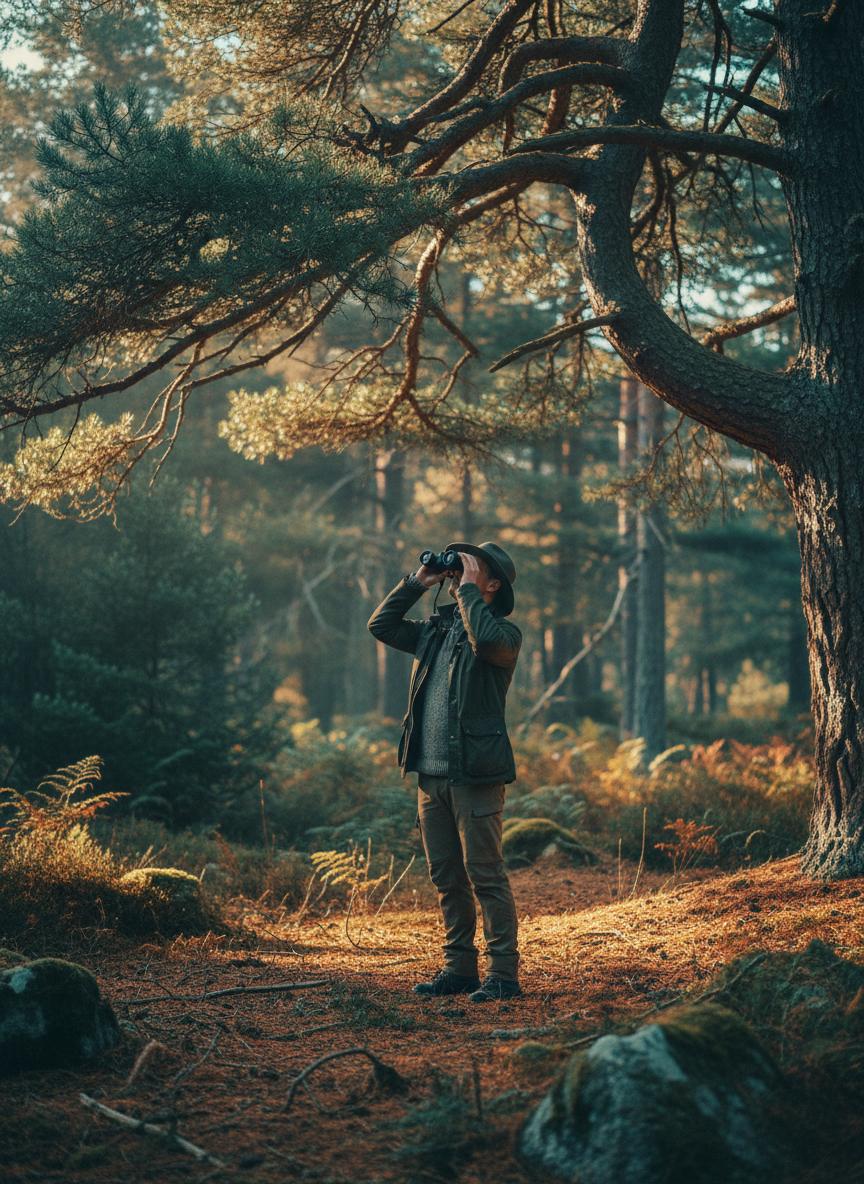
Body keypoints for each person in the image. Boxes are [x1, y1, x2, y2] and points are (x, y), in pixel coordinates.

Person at [367, 540, 523, 1002]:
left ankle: (503, 975)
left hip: (476, 776)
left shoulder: (505, 635)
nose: (460, 573)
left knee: (485, 874)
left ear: (492, 584)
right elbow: (381, 625)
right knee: (446, 877)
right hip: (430, 777)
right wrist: (419, 582)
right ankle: (459, 968)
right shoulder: (434, 633)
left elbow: (487, 641)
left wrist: (470, 592)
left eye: (474, 570)